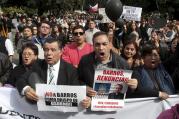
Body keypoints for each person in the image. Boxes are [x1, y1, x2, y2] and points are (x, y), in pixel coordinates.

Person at [78, 31, 138, 98]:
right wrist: (84, 88)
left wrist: (134, 87)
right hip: (92, 103)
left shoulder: (122, 63)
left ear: (110, 45)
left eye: (104, 44)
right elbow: (77, 80)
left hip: (113, 105)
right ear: (93, 46)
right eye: (97, 44)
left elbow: (127, 91)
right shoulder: (85, 61)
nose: (101, 48)